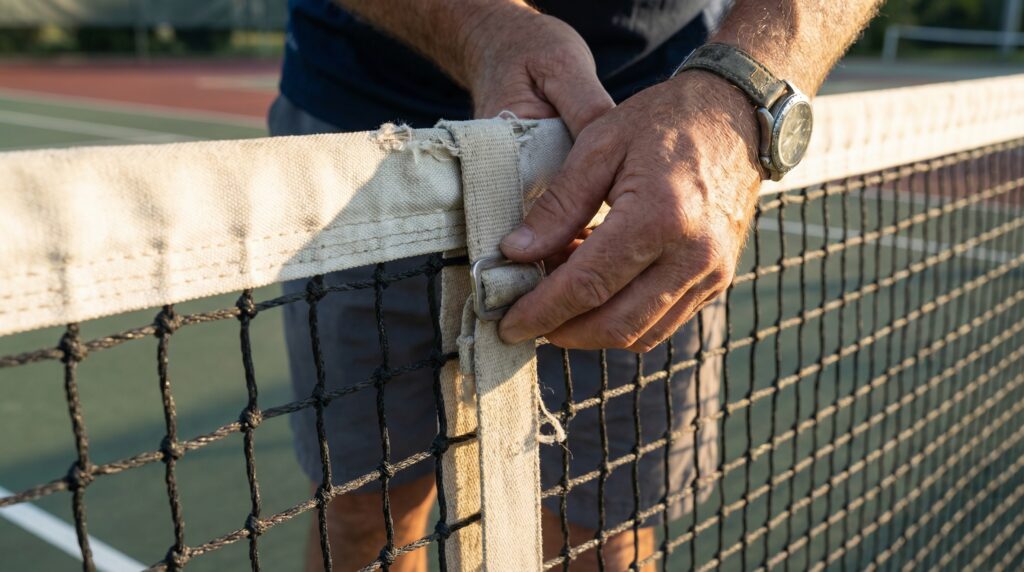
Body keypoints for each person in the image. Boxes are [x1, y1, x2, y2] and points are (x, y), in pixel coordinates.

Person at [270, 1, 880, 570]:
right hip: (363, 132)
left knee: (601, 541)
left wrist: (742, 91)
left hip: (656, 158)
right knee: (365, 517)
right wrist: (482, 25)